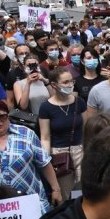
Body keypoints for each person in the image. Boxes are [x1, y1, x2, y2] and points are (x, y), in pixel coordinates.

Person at [0, 99, 62, 213]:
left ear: (8, 116)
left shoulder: (26, 133)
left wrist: (56, 189)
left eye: (2, 116)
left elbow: (44, 163)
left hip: (31, 200)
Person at [38, 68, 87, 201]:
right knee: (66, 194)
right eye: (65, 82)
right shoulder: (46, 107)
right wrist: (47, 159)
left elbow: (86, 128)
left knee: (84, 190)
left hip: (80, 150)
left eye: (71, 81)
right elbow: (45, 137)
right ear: (54, 85)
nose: (70, 85)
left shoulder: (79, 102)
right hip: (59, 153)